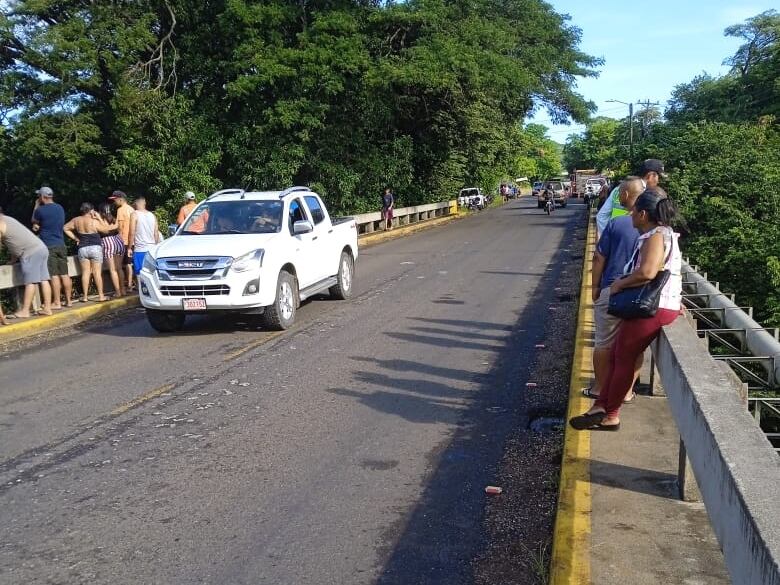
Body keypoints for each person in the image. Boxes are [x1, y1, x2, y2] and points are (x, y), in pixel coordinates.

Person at [570, 191, 682, 431]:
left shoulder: (655, 236)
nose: (630, 215)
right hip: (661, 305)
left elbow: (648, 272)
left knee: (622, 358)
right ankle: (601, 406)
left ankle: (610, 414)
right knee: (617, 355)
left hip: (655, 306)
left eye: (633, 212)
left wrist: (620, 283)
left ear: (643, 214)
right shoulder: (663, 233)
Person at [584, 178, 644, 401]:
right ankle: (627, 392)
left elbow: (599, 257)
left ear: (628, 195)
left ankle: (599, 388)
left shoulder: (618, 223)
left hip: (613, 289)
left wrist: (595, 287)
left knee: (604, 342)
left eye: (620, 193)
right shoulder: (657, 227)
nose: (618, 196)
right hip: (641, 294)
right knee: (635, 346)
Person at [0, 209, 53, 318]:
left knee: (30, 282)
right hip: (41, 248)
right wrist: (13, 260)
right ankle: (47, 308)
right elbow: (14, 242)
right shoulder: (9, 219)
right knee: (44, 280)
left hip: (30, 252)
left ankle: (25, 311)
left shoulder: (1, 223)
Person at [597, 160, 665, 237]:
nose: (658, 181)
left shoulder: (620, 188)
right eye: (658, 177)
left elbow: (601, 216)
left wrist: (609, 237)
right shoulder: (648, 195)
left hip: (616, 235)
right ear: (651, 175)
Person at [31, 186, 73, 309]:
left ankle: (57, 302)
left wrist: (36, 205)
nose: (38, 198)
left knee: (54, 275)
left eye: (39, 196)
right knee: (65, 274)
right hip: (61, 243)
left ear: (43, 197)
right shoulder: (60, 208)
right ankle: (69, 301)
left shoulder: (40, 210)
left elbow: (34, 220)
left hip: (49, 245)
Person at [64, 203, 107, 302]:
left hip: (82, 248)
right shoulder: (94, 220)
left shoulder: (76, 220)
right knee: (97, 273)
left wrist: (76, 238)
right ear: (91, 210)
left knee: (85, 273)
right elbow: (105, 230)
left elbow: (65, 228)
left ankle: (85, 297)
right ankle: (101, 296)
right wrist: (99, 218)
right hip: (95, 247)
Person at [96, 203, 126, 297]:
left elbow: (105, 230)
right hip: (118, 240)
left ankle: (117, 292)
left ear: (101, 212)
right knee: (119, 268)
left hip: (108, 242)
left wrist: (98, 218)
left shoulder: (101, 220)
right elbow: (118, 227)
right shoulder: (114, 218)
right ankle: (123, 290)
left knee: (113, 270)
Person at [109, 190, 135, 291]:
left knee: (120, 266)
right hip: (132, 240)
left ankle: (125, 286)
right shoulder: (132, 209)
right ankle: (130, 284)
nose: (114, 202)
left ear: (120, 199)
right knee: (129, 263)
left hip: (123, 240)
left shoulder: (121, 210)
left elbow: (119, 227)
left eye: (115, 199)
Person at [128, 196, 159, 278]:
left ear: (136, 203)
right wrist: (156, 247)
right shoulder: (152, 215)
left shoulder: (134, 214)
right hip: (152, 249)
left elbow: (132, 232)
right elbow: (156, 233)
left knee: (140, 275)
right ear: (145, 203)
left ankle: (140, 290)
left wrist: (129, 248)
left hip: (140, 249)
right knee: (151, 275)